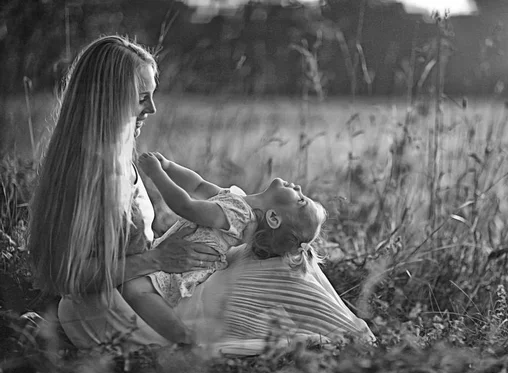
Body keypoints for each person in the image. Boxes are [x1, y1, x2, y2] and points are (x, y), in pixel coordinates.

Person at [27, 35, 375, 354]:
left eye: (152, 95)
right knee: (280, 275)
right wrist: (159, 259)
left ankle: (355, 337)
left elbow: (200, 192)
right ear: (109, 101)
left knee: (294, 256)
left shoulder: (119, 157)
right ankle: (353, 343)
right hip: (116, 306)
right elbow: (65, 277)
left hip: (150, 284)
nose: (152, 109)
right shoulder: (91, 176)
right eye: (141, 98)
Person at [122, 151, 327, 344]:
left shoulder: (237, 216)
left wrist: (156, 173)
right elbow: (198, 185)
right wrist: (169, 166)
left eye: (300, 200)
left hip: (182, 267)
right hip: (171, 251)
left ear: (273, 218)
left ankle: (183, 337)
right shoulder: (239, 201)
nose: (299, 188)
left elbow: (186, 206)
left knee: (136, 291)